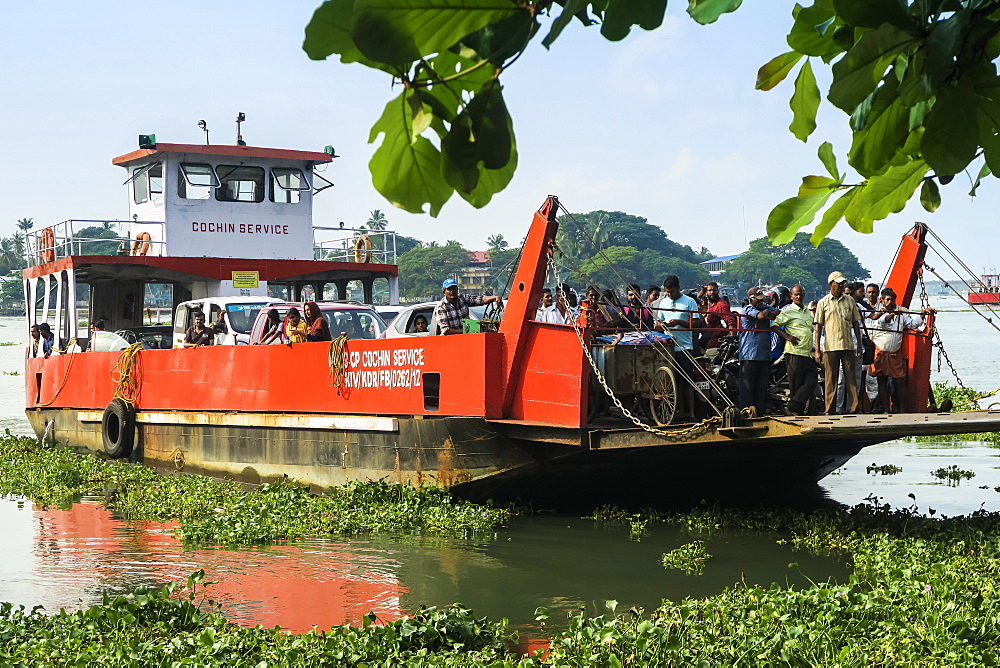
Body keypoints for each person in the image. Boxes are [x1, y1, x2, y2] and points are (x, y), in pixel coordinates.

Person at [867, 288, 932, 413]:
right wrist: (892, 314)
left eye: (892, 300)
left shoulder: (901, 315)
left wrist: (923, 314)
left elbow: (912, 324)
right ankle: (886, 409)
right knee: (882, 380)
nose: (890, 302)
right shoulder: (879, 313)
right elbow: (882, 321)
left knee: (900, 380)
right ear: (883, 300)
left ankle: (902, 409)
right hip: (881, 352)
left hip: (895, 353)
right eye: (888, 300)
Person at [814, 271, 863, 415]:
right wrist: (818, 350)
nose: (841, 287)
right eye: (839, 284)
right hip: (830, 346)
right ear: (831, 285)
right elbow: (818, 327)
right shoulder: (823, 302)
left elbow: (856, 324)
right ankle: (829, 409)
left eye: (843, 284)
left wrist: (859, 345)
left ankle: (854, 408)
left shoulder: (850, 301)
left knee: (851, 378)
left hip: (847, 344)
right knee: (831, 380)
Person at [655, 275, 701, 418]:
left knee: (687, 381)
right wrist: (659, 326)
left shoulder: (689, 301)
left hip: (684, 347)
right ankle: (679, 411)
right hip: (668, 347)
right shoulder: (664, 302)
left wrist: (679, 322)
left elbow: (696, 324)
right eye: (667, 292)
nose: (669, 294)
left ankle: (692, 413)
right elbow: (659, 323)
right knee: (673, 382)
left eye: (672, 291)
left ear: (678, 288)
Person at [738, 287, 784, 416]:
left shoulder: (764, 306)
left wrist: (768, 310)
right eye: (758, 300)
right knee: (747, 387)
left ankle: (760, 411)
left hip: (763, 354)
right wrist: (767, 311)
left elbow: (778, 312)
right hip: (749, 354)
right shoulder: (747, 309)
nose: (761, 301)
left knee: (761, 387)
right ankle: (745, 412)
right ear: (751, 299)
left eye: (762, 299)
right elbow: (761, 316)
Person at [772, 285, 817, 415]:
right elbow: (774, 326)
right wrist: (788, 336)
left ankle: (794, 405)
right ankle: (796, 412)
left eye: (801, 294)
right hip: (794, 352)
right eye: (796, 294)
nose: (798, 297)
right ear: (791, 296)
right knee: (796, 383)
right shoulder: (788, 311)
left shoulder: (807, 312)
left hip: (807, 352)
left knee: (812, 380)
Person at [436, 278, 502, 335]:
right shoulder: (441, 306)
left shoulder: (462, 298)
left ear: (457, 289)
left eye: (454, 288)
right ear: (444, 292)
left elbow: (480, 300)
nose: (452, 291)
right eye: (449, 289)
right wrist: (467, 330)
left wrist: (495, 298)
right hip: (450, 340)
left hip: (466, 337)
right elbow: (446, 330)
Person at [698, 282, 736, 351]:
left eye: (714, 290)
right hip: (706, 336)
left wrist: (732, 340)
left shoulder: (721, 305)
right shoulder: (708, 303)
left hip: (717, 338)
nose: (712, 292)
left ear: (717, 291)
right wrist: (702, 292)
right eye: (710, 290)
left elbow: (731, 322)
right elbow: (694, 302)